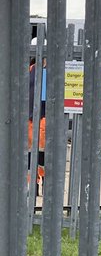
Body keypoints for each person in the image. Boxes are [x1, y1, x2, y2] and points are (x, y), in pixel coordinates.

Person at [28, 42, 46, 197]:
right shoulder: (31, 70)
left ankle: (43, 183)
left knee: (42, 153)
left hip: (42, 118)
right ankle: (33, 186)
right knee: (31, 153)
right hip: (31, 118)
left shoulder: (49, 71)